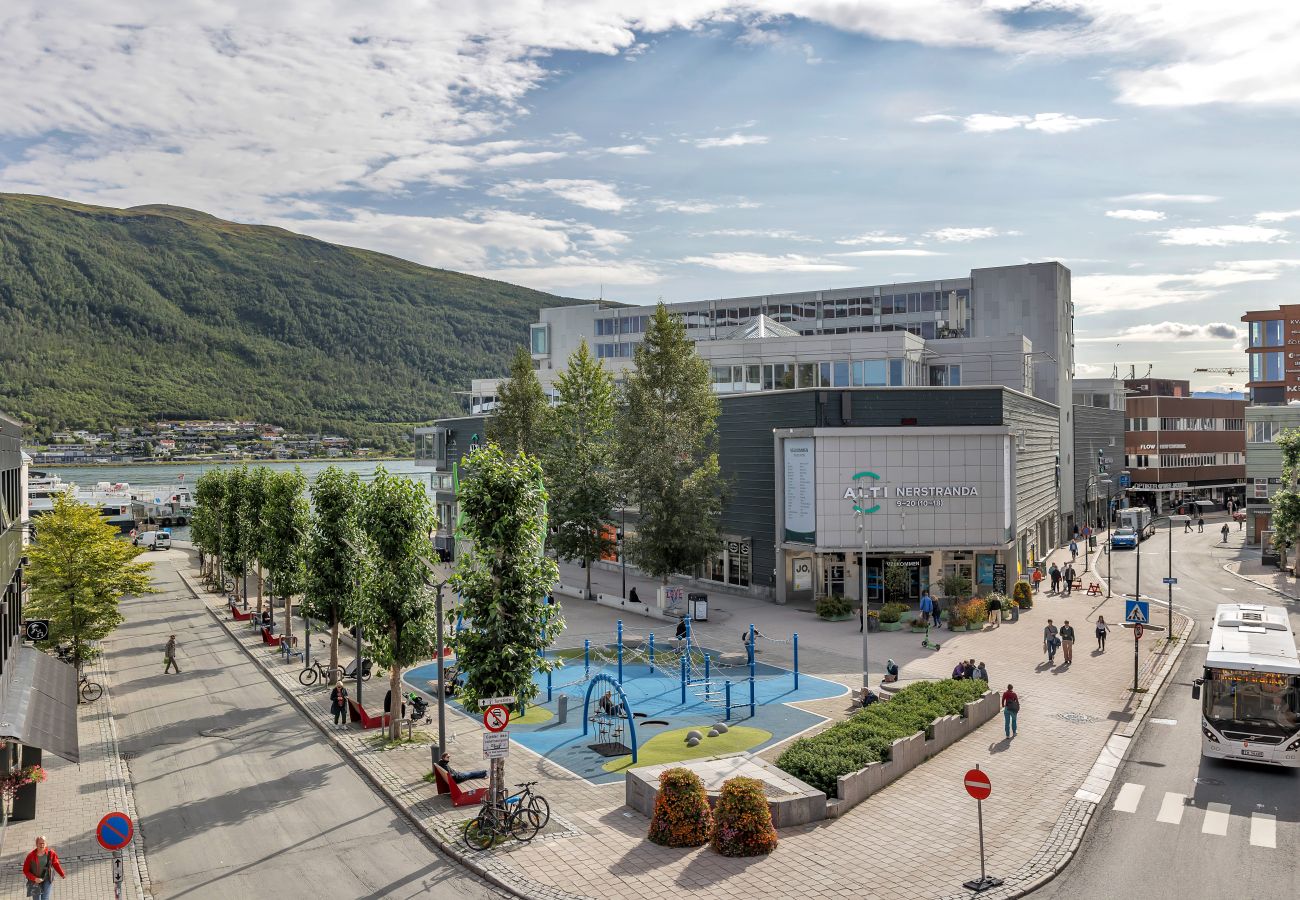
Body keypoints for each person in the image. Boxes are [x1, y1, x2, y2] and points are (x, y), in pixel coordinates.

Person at [23, 835, 65, 899]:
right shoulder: (30, 856)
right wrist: (34, 879)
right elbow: (25, 870)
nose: (42, 845)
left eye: (43, 843)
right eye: (40, 843)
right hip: (35, 881)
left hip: (47, 879)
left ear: (46, 844)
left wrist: (62, 874)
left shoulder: (51, 853)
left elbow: (56, 864)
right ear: (36, 844)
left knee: (45, 898)